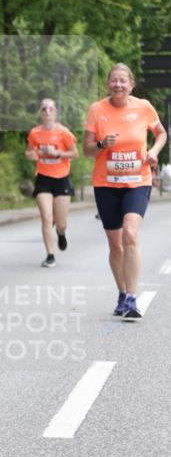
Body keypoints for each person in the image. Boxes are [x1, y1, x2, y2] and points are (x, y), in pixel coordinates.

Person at [84, 63, 167, 319]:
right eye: (114, 80)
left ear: (131, 85)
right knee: (116, 245)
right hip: (106, 185)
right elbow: (87, 149)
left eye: (123, 81)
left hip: (138, 181)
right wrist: (101, 144)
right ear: (108, 84)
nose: (118, 85)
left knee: (130, 235)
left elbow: (161, 133)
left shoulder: (144, 107)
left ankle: (132, 298)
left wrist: (153, 151)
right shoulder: (97, 110)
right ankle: (121, 293)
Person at [25, 98, 78, 267]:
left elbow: (75, 153)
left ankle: (61, 234)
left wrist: (57, 154)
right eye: (44, 109)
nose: (47, 111)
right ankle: (50, 255)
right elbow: (29, 152)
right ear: (40, 113)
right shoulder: (34, 133)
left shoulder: (64, 132)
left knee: (61, 224)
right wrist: (32, 155)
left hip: (62, 179)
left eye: (50, 109)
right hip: (43, 179)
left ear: (55, 112)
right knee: (46, 218)